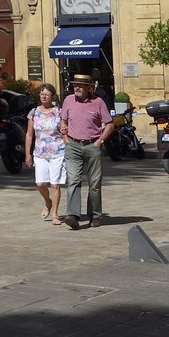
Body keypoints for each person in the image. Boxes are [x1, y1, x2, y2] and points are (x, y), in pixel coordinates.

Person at [59, 73, 115, 230]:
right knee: (73, 180)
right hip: (73, 145)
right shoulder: (68, 100)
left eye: (80, 86)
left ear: (89, 88)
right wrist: (65, 138)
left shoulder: (98, 102)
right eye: (75, 85)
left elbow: (110, 124)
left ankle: (95, 215)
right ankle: (73, 216)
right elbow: (63, 120)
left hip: (92, 146)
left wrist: (100, 141)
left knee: (94, 183)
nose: (76, 88)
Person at [24, 83, 67, 224]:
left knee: (55, 184)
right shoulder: (34, 113)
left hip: (57, 152)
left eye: (47, 94)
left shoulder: (59, 112)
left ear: (52, 96)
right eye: (42, 94)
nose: (44, 96)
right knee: (40, 183)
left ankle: (55, 214)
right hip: (40, 152)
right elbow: (29, 134)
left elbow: (64, 131)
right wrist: (27, 154)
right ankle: (48, 201)